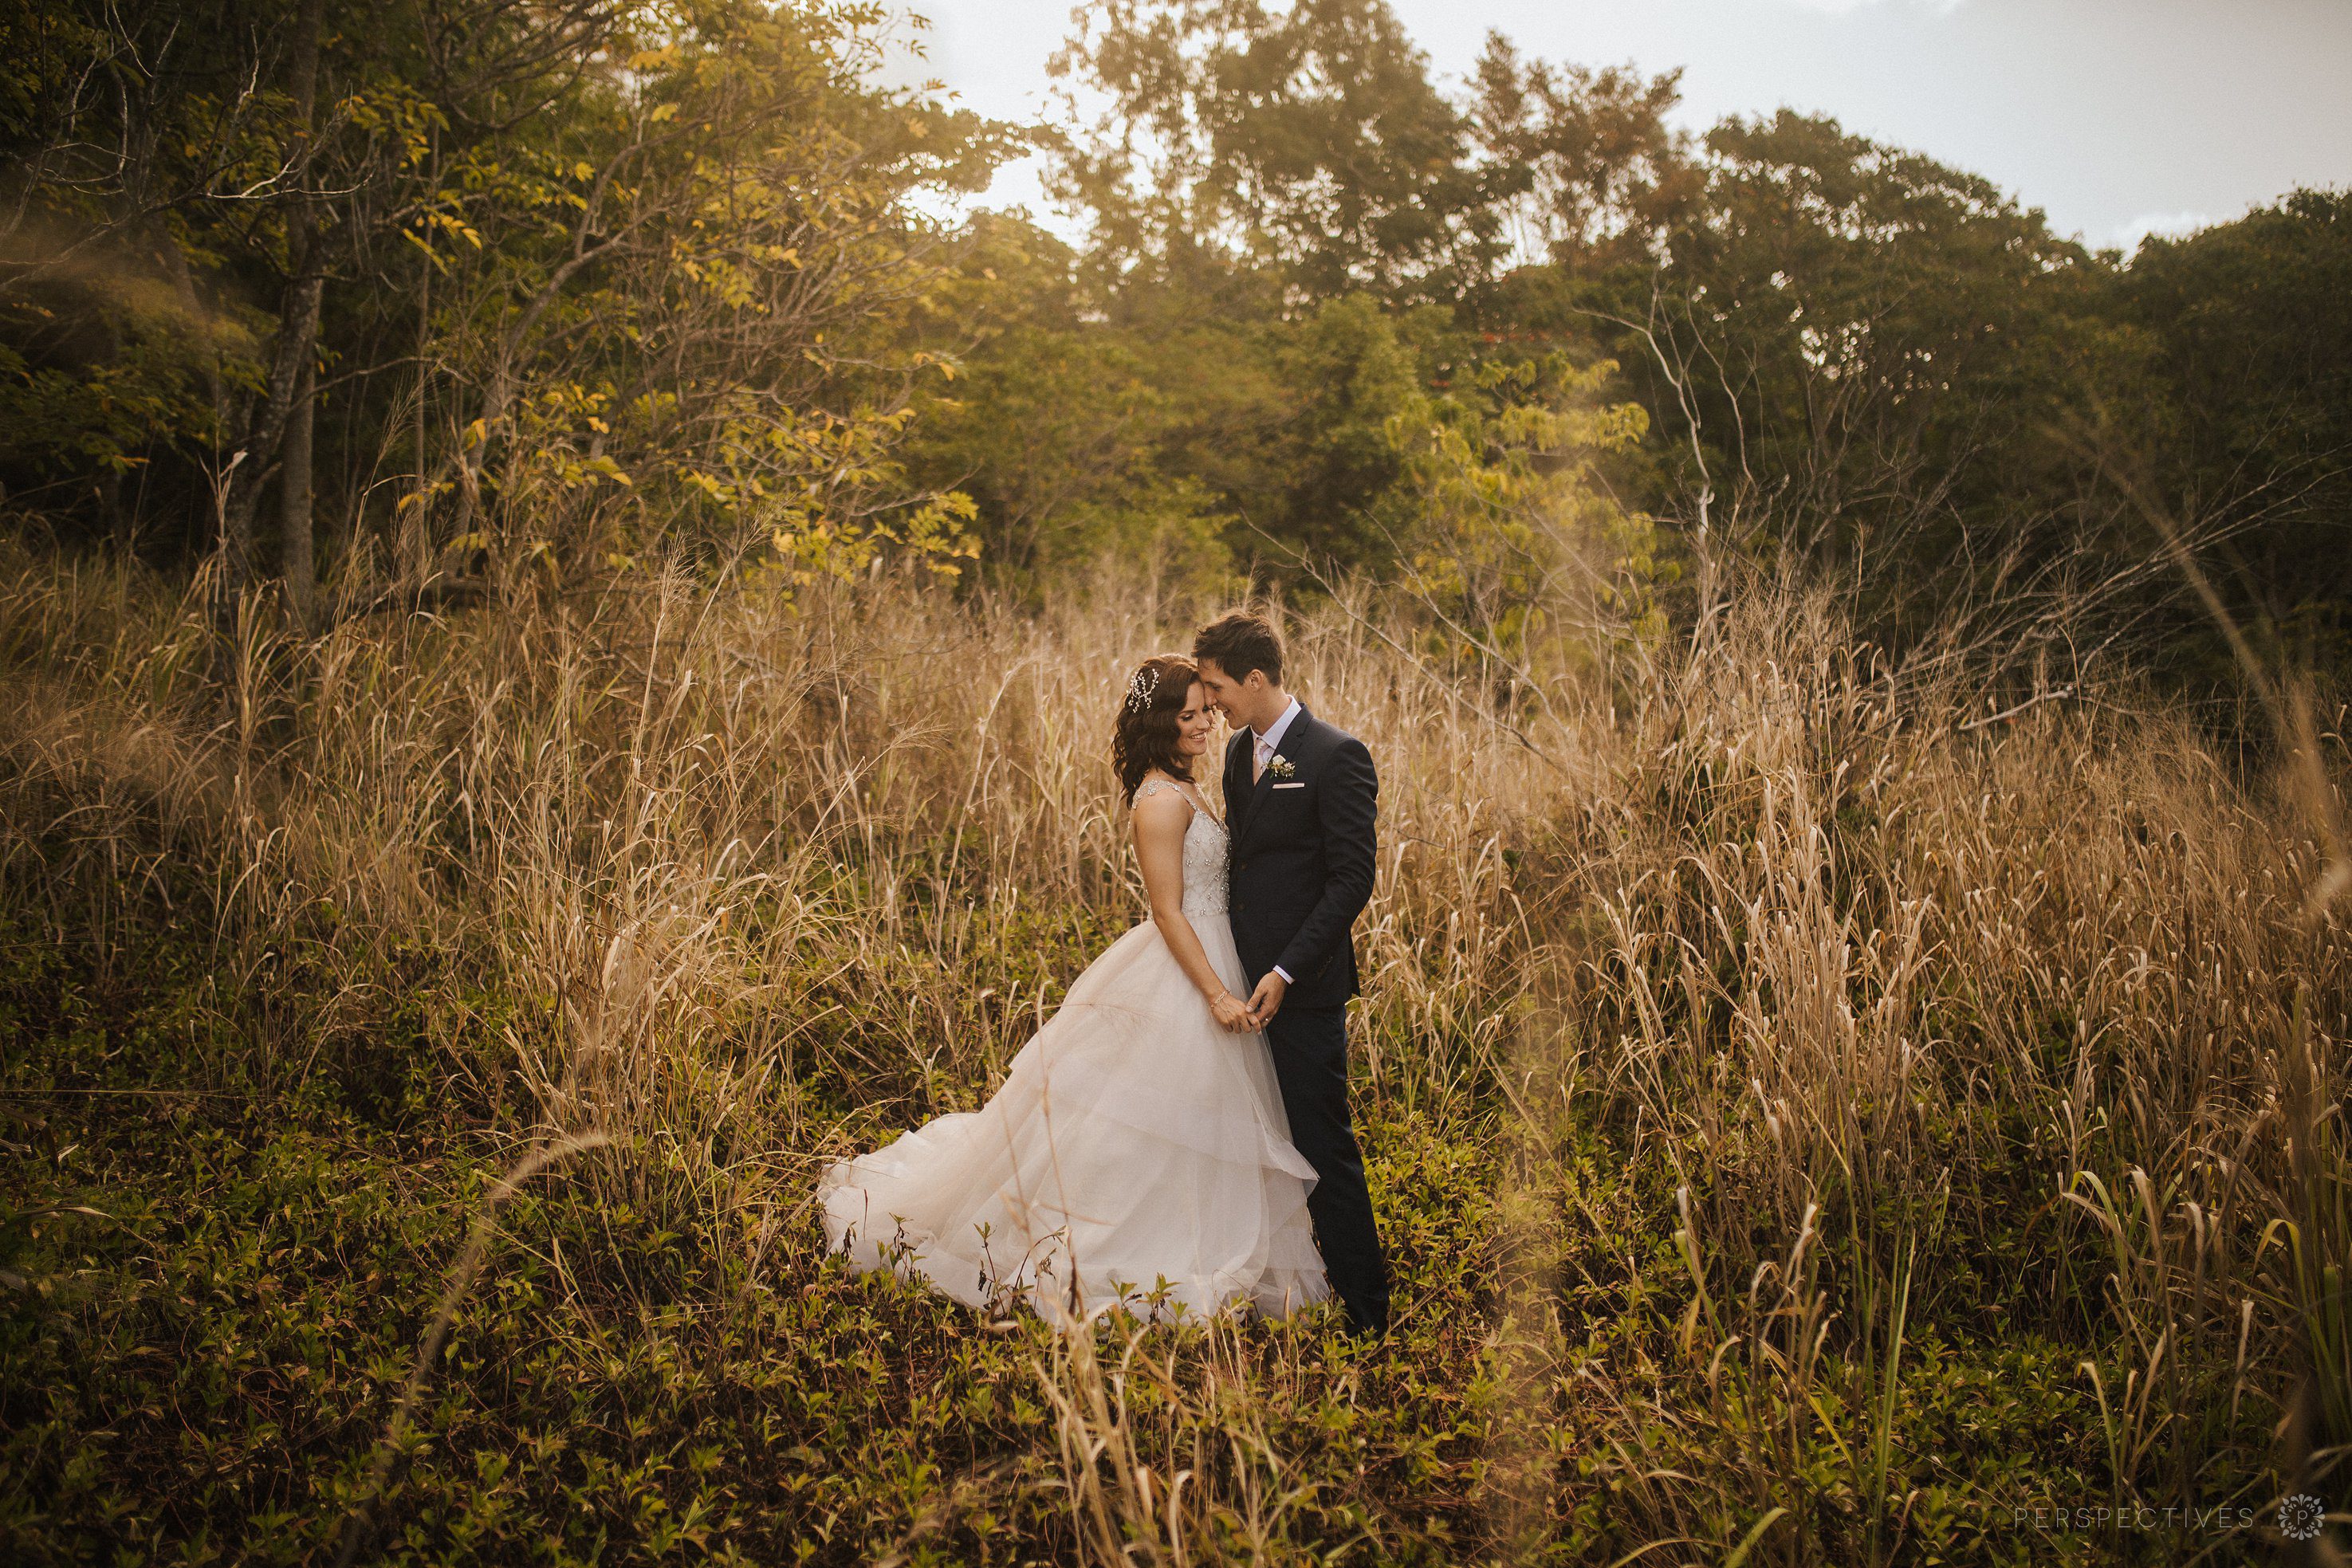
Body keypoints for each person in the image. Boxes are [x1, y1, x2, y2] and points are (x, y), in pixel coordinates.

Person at [817, 654, 1330, 1322]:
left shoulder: (1189, 783)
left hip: (1222, 952)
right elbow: (1169, 910)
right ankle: (1128, 1240)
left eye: (1208, 709)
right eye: (1189, 715)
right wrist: (1214, 993)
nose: (1207, 723)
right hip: (1188, 968)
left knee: (1201, 1117)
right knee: (1147, 1117)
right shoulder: (1158, 800)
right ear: (1159, 724)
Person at [1192, 610, 1390, 1338]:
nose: (1211, 702)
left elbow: (1351, 880)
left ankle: (1369, 1312)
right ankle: (1283, 1283)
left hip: (1300, 992)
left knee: (1320, 1142)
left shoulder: (1338, 754)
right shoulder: (1240, 750)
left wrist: (1284, 969)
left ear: (1255, 677)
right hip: (1240, 984)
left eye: (1218, 686)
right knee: (1253, 1136)